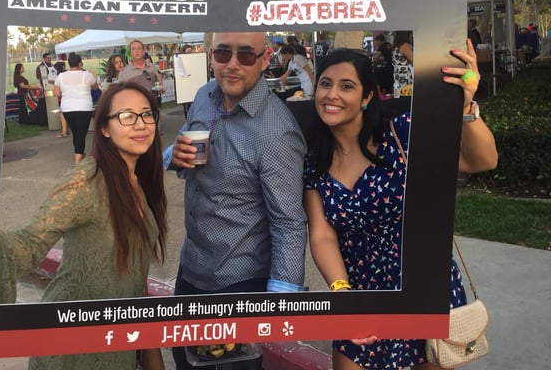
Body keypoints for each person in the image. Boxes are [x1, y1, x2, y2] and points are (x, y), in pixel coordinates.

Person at [0, 82, 167, 370]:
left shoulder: (140, 179)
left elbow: (135, 280)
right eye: (126, 116)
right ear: (104, 128)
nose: (140, 124)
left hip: (117, 336)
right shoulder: (86, 181)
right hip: (73, 344)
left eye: (147, 114)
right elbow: (27, 244)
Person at [303, 41, 497, 370]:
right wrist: (341, 291)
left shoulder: (401, 133)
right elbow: (322, 234)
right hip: (362, 298)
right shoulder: (313, 159)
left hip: (423, 291)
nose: (332, 94)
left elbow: (481, 160)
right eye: (325, 83)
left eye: (346, 86)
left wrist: (466, 106)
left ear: (367, 98)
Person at [167, 32, 308, 370]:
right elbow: (182, 145)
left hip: (239, 282)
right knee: (185, 362)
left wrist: (280, 305)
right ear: (210, 55)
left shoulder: (276, 131)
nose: (231, 64)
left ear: (264, 59)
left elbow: (289, 221)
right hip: (192, 268)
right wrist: (175, 155)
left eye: (245, 55)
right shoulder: (204, 95)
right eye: (222, 53)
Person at [53, 54, 99, 163]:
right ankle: (78, 160)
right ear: (80, 63)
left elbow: (56, 93)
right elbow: (96, 87)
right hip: (84, 107)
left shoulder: (61, 76)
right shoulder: (87, 75)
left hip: (67, 108)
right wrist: (94, 77)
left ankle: (80, 154)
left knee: (76, 133)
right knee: (81, 134)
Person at [118, 40, 164, 104]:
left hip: (153, 105)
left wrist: (161, 88)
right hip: (135, 107)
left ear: (143, 51)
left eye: (139, 48)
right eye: (133, 49)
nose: (136, 51)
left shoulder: (152, 67)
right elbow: (120, 93)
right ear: (130, 52)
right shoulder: (124, 72)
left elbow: (159, 84)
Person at [392, 30, 414, 97]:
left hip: (399, 80)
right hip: (406, 81)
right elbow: (414, 60)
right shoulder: (405, 46)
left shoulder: (396, 47)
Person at [53, 61, 69, 137]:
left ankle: (64, 131)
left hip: (63, 96)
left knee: (62, 113)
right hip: (69, 95)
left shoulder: (60, 75)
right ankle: (66, 129)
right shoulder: (68, 74)